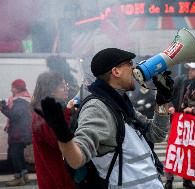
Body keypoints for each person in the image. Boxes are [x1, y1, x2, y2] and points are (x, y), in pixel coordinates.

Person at [38, 48, 173, 189]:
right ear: (116, 72)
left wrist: (162, 101)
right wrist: (63, 135)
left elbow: (156, 134)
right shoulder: (97, 108)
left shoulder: (120, 103)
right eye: (130, 64)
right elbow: (76, 159)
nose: (134, 68)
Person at [31, 72, 77, 189]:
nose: (67, 88)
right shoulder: (45, 113)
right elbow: (61, 143)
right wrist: (67, 112)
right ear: (51, 90)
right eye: (62, 86)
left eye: (66, 84)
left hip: (56, 176)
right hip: (57, 178)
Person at [0, 79, 32, 186]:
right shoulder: (24, 99)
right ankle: (25, 175)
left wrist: (3, 107)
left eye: (12, 87)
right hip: (21, 132)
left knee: (15, 154)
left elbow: (14, 115)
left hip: (19, 133)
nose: (11, 89)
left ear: (17, 88)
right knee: (18, 155)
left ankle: (19, 178)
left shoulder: (20, 101)